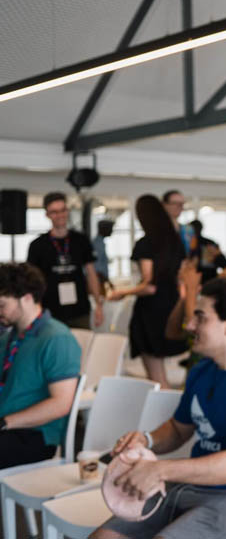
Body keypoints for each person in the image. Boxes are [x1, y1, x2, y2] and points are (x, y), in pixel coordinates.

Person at [91, 277, 226, 539]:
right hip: (189, 485)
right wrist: (146, 440)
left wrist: (160, 470)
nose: (190, 325)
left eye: (200, 318)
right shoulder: (201, 371)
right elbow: (179, 429)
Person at [0, 263, 80, 469]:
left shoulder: (57, 338)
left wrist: (5, 422)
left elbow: (61, 404)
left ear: (26, 299)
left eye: (2, 305)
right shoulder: (10, 337)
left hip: (35, 435)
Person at [108, 196, 188, 388]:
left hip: (151, 313)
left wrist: (123, 292)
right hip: (172, 308)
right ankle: (168, 415)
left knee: (156, 379)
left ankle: (165, 417)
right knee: (161, 378)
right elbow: (181, 279)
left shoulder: (146, 244)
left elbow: (149, 285)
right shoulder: (176, 242)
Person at [27, 192, 104, 329]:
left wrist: (98, 305)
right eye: (54, 212)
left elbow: (91, 273)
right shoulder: (38, 245)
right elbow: (32, 281)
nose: (60, 215)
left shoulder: (81, 240)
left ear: (67, 211)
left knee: (80, 347)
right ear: (47, 215)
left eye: (63, 210)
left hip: (80, 310)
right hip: (50, 311)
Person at [162, 190, 197, 258]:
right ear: (164, 204)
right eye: (174, 203)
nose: (179, 207)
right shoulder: (157, 229)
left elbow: (193, 254)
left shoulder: (188, 230)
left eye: (181, 204)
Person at [92, 219, 114, 289]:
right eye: (111, 228)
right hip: (98, 281)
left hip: (100, 280)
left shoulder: (101, 243)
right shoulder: (97, 245)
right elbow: (96, 267)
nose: (112, 231)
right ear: (105, 229)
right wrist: (107, 281)